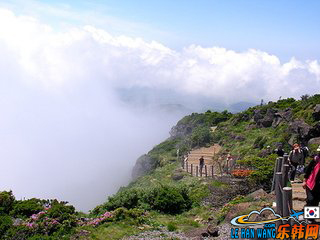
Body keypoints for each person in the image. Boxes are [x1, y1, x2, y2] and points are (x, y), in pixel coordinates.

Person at [303, 146, 320, 210]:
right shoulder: (316, 159)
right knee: (311, 199)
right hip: (311, 183)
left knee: (316, 201)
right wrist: (304, 181)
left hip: (318, 186)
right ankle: (309, 218)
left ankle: (311, 218)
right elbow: (308, 170)